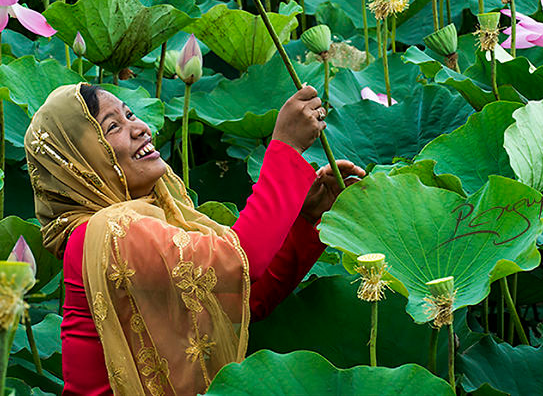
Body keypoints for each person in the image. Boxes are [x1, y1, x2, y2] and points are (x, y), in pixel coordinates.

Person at [25, 82, 364, 396]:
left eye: (130, 114)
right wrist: (286, 147)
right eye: (113, 127)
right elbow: (242, 258)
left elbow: (245, 298)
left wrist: (305, 219)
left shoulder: (139, 222)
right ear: (79, 164)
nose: (140, 127)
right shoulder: (110, 232)